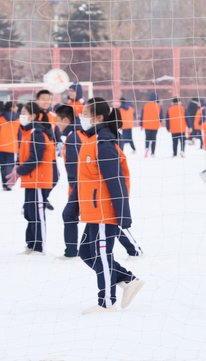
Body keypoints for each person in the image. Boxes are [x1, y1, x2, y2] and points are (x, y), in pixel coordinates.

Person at [75, 98, 145, 314]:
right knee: (86, 253)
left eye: (86, 112)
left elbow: (116, 182)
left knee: (103, 254)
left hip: (105, 211)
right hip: (92, 211)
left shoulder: (104, 144)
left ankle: (106, 302)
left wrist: (123, 214)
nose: (82, 116)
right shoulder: (91, 140)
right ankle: (127, 279)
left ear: (99, 118)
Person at [6, 102, 55, 255]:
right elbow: (25, 155)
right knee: (30, 213)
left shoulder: (37, 132)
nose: (21, 115)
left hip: (39, 179)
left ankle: (39, 247)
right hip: (30, 179)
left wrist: (18, 171)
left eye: (24, 112)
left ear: (33, 116)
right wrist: (17, 167)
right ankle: (31, 244)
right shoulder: (27, 131)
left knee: (38, 214)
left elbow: (36, 158)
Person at [56, 104, 86, 260]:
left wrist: (75, 190)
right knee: (71, 216)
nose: (56, 124)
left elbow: (75, 167)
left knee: (70, 215)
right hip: (81, 184)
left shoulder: (73, 136)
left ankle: (71, 253)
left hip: (80, 186)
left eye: (57, 120)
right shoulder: (75, 133)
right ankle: (72, 252)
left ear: (66, 119)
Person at [0, 101, 19, 191]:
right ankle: (8, 184)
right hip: (12, 146)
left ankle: (5, 183)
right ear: (11, 108)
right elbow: (20, 134)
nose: (17, 109)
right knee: (9, 165)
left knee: (3, 165)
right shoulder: (18, 119)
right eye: (15, 107)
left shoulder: (1, 118)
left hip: (1, 145)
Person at [141, 92, 162, 157]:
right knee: (154, 139)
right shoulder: (158, 106)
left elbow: (142, 115)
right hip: (155, 125)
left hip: (146, 125)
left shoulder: (145, 105)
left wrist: (141, 124)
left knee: (147, 138)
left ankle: (147, 148)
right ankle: (153, 152)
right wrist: (159, 122)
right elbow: (160, 116)